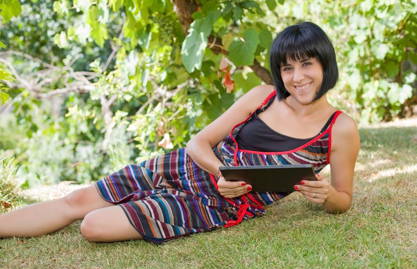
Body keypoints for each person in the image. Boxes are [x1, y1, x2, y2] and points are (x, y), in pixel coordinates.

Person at [0, 21, 360, 244]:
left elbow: (342, 198)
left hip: (216, 204)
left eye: (306, 65)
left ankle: (140, 206)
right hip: (184, 166)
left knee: (92, 225)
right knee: (77, 201)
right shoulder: (262, 96)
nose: (297, 77)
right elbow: (199, 142)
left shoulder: (340, 128)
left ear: (325, 64)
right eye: (287, 68)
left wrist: (326, 195)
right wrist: (221, 172)